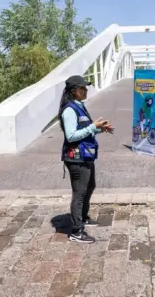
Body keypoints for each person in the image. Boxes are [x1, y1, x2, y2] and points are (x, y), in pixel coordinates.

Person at [58, 75, 114, 244]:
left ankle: (82, 217)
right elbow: (71, 136)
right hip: (76, 158)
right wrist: (92, 127)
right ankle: (76, 231)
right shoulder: (69, 110)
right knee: (79, 193)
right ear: (75, 91)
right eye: (83, 88)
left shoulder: (79, 106)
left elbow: (84, 130)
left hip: (85, 155)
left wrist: (99, 129)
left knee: (90, 186)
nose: (86, 90)